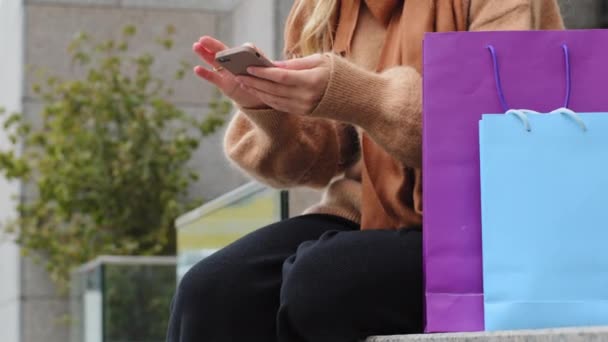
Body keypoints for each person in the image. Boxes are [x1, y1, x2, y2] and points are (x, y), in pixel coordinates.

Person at [167, 1, 564, 341]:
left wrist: (360, 96)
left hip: (485, 229)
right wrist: (271, 111)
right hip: (368, 214)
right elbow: (319, 159)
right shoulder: (325, 9)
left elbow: (503, 131)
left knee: (324, 281)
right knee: (213, 290)